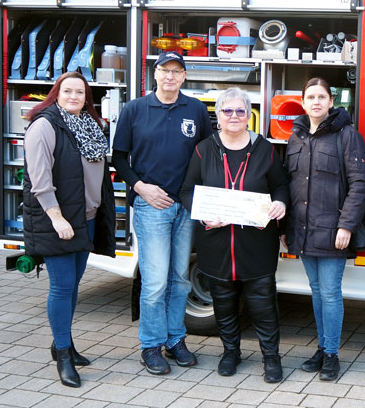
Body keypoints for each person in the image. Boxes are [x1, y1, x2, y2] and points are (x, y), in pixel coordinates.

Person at [112, 51, 212, 375]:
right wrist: (141, 188)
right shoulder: (134, 110)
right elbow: (119, 158)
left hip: (185, 207)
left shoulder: (196, 109)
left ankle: (175, 340)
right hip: (151, 206)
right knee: (154, 282)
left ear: (184, 76)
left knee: (180, 280)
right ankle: (151, 345)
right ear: (154, 74)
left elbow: (207, 156)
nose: (170, 76)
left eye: (177, 71)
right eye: (164, 70)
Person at [180, 87, 289, 382]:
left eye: (241, 111)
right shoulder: (203, 149)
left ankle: (271, 357)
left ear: (248, 115)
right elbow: (187, 191)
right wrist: (201, 214)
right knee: (224, 304)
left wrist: (280, 202)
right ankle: (231, 352)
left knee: (263, 305)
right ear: (218, 115)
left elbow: (280, 185)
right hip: (216, 243)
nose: (234, 116)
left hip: (256, 244)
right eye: (228, 111)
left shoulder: (264, 149)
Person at [22, 72, 116, 387]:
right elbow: (40, 179)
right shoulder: (44, 126)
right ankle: (63, 355)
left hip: (85, 217)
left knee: (74, 285)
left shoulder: (90, 125)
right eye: (68, 91)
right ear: (56, 94)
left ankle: (63, 341)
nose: (74, 96)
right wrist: (56, 217)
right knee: (62, 287)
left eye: (80, 92)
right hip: (58, 221)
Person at [283, 78, 365, 381]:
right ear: (303, 102)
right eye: (311, 97)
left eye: (322, 96)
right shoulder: (296, 136)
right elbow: (289, 186)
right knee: (317, 292)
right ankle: (322, 348)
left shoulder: (347, 136)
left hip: (333, 231)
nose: (316, 102)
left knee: (331, 293)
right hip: (303, 230)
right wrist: (285, 228)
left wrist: (346, 225)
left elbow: (360, 184)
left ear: (331, 101)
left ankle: (331, 353)